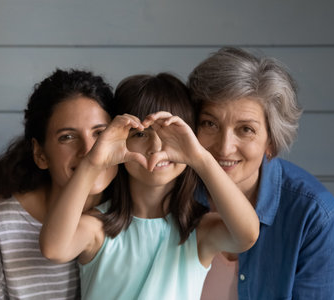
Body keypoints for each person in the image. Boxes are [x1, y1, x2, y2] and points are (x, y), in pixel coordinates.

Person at [39, 73, 260, 300]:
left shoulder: (199, 232)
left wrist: (200, 158)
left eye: (170, 133)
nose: (156, 148)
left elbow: (248, 235)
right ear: (119, 141)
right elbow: (54, 249)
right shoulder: (97, 228)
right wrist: (93, 162)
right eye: (140, 134)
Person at [0, 69, 118, 299]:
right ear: (41, 154)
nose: (88, 151)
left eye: (100, 133)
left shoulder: (125, 215)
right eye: (67, 136)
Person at [188, 47, 334, 299]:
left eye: (245, 129)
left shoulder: (315, 215)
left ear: (271, 143)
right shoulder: (169, 192)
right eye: (210, 124)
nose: (224, 147)